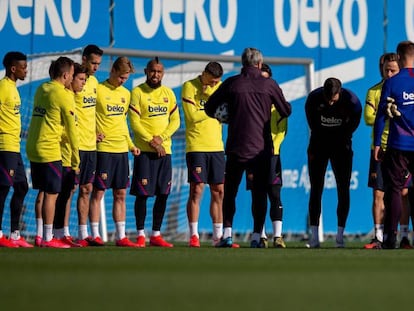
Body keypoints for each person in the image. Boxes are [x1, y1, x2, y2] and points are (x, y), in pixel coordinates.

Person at [205, 47, 291, 248]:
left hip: (236, 146)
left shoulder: (232, 83)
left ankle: (227, 235)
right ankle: (255, 237)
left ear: (243, 63)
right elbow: (285, 110)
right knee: (259, 193)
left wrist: (226, 117)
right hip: (261, 149)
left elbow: (209, 108)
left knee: (231, 192)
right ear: (259, 64)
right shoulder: (269, 84)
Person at [26, 56, 80, 248]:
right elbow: (73, 132)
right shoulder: (64, 95)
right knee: (52, 194)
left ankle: (40, 235)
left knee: (43, 191)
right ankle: (49, 238)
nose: (72, 79)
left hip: (33, 147)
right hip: (49, 149)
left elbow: (50, 118)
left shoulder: (42, 89)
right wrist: (76, 160)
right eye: (72, 75)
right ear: (65, 75)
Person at [89, 56, 140, 247]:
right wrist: (93, 134)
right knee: (98, 193)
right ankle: (94, 234)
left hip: (121, 150)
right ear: (112, 71)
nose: (123, 81)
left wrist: (130, 145)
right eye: (121, 77)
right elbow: (87, 115)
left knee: (121, 194)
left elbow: (123, 123)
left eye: (126, 79)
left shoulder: (126, 94)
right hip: (103, 149)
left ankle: (121, 236)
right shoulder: (98, 90)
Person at [129, 57, 180, 248]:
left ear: (163, 73)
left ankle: (156, 234)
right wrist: (152, 141)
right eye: (152, 71)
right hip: (144, 152)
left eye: (159, 72)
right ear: (146, 71)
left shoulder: (169, 94)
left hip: (164, 152)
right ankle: (141, 234)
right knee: (142, 194)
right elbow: (135, 123)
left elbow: (175, 121)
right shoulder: (138, 92)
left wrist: (162, 139)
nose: (155, 75)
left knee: (163, 193)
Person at [305, 77, 362, 248]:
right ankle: (314, 236)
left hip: (341, 147)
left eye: (333, 99)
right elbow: (313, 125)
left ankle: (339, 236)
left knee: (343, 188)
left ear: (340, 92)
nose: (330, 103)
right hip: (319, 145)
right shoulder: (313, 99)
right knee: (316, 188)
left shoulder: (352, 101)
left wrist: (342, 136)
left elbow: (354, 123)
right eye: (327, 98)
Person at [374, 41, 414, 249]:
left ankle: (390, 238)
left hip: (399, 144)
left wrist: (377, 143)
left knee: (395, 191)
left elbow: (382, 115)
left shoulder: (393, 82)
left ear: (399, 57)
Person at [181, 61, 225, 247]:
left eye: (217, 82)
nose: (215, 84)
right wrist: (212, 107)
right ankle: (194, 235)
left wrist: (210, 101)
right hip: (197, 145)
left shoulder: (221, 87)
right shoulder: (189, 87)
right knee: (197, 189)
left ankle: (218, 237)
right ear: (204, 73)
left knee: (219, 191)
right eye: (212, 81)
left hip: (216, 146)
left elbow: (225, 113)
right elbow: (191, 117)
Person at [363, 53, 400, 249]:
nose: (389, 73)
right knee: (378, 194)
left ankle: (402, 236)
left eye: (393, 70)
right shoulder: (374, 91)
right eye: (386, 69)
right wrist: (387, 113)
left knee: (402, 193)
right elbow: (369, 118)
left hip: (400, 147)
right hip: (379, 148)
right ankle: (378, 236)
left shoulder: (404, 90)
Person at [53, 63, 88, 247]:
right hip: (59, 154)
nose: (83, 83)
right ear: (70, 78)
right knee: (52, 194)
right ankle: (50, 234)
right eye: (81, 79)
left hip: (72, 153)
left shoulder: (75, 98)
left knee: (66, 193)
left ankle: (62, 232)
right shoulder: (63, 96)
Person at [0, 51, 31, 248]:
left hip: (14, 146)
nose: (26, 71)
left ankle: (15, 234)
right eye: (23, 67)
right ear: (13, 68)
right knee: (2, 189)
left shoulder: (13, 88)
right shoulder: (3, 87)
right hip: (4, 146)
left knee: (22, 187)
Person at [75, 44, 104, 246]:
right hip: (74, 145)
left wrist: (96, 132)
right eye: (93, 62)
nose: (95, 67)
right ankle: (59, 232)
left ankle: (83, 233)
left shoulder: (94, 83)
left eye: (98, 64)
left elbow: (93, 112)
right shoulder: (73, 80)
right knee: (67, 190)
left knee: (86, 189)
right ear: (84, 59)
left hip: (91, 145)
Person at [257, 63, 288, 248]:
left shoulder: (279, 107)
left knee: (275, 194)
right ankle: (260, 236)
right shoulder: (251, 104)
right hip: (254, 155)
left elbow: (282, 132)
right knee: (257, 195)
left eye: (266, 79)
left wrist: (271, 148)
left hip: (272, 155)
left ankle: (277, 236)